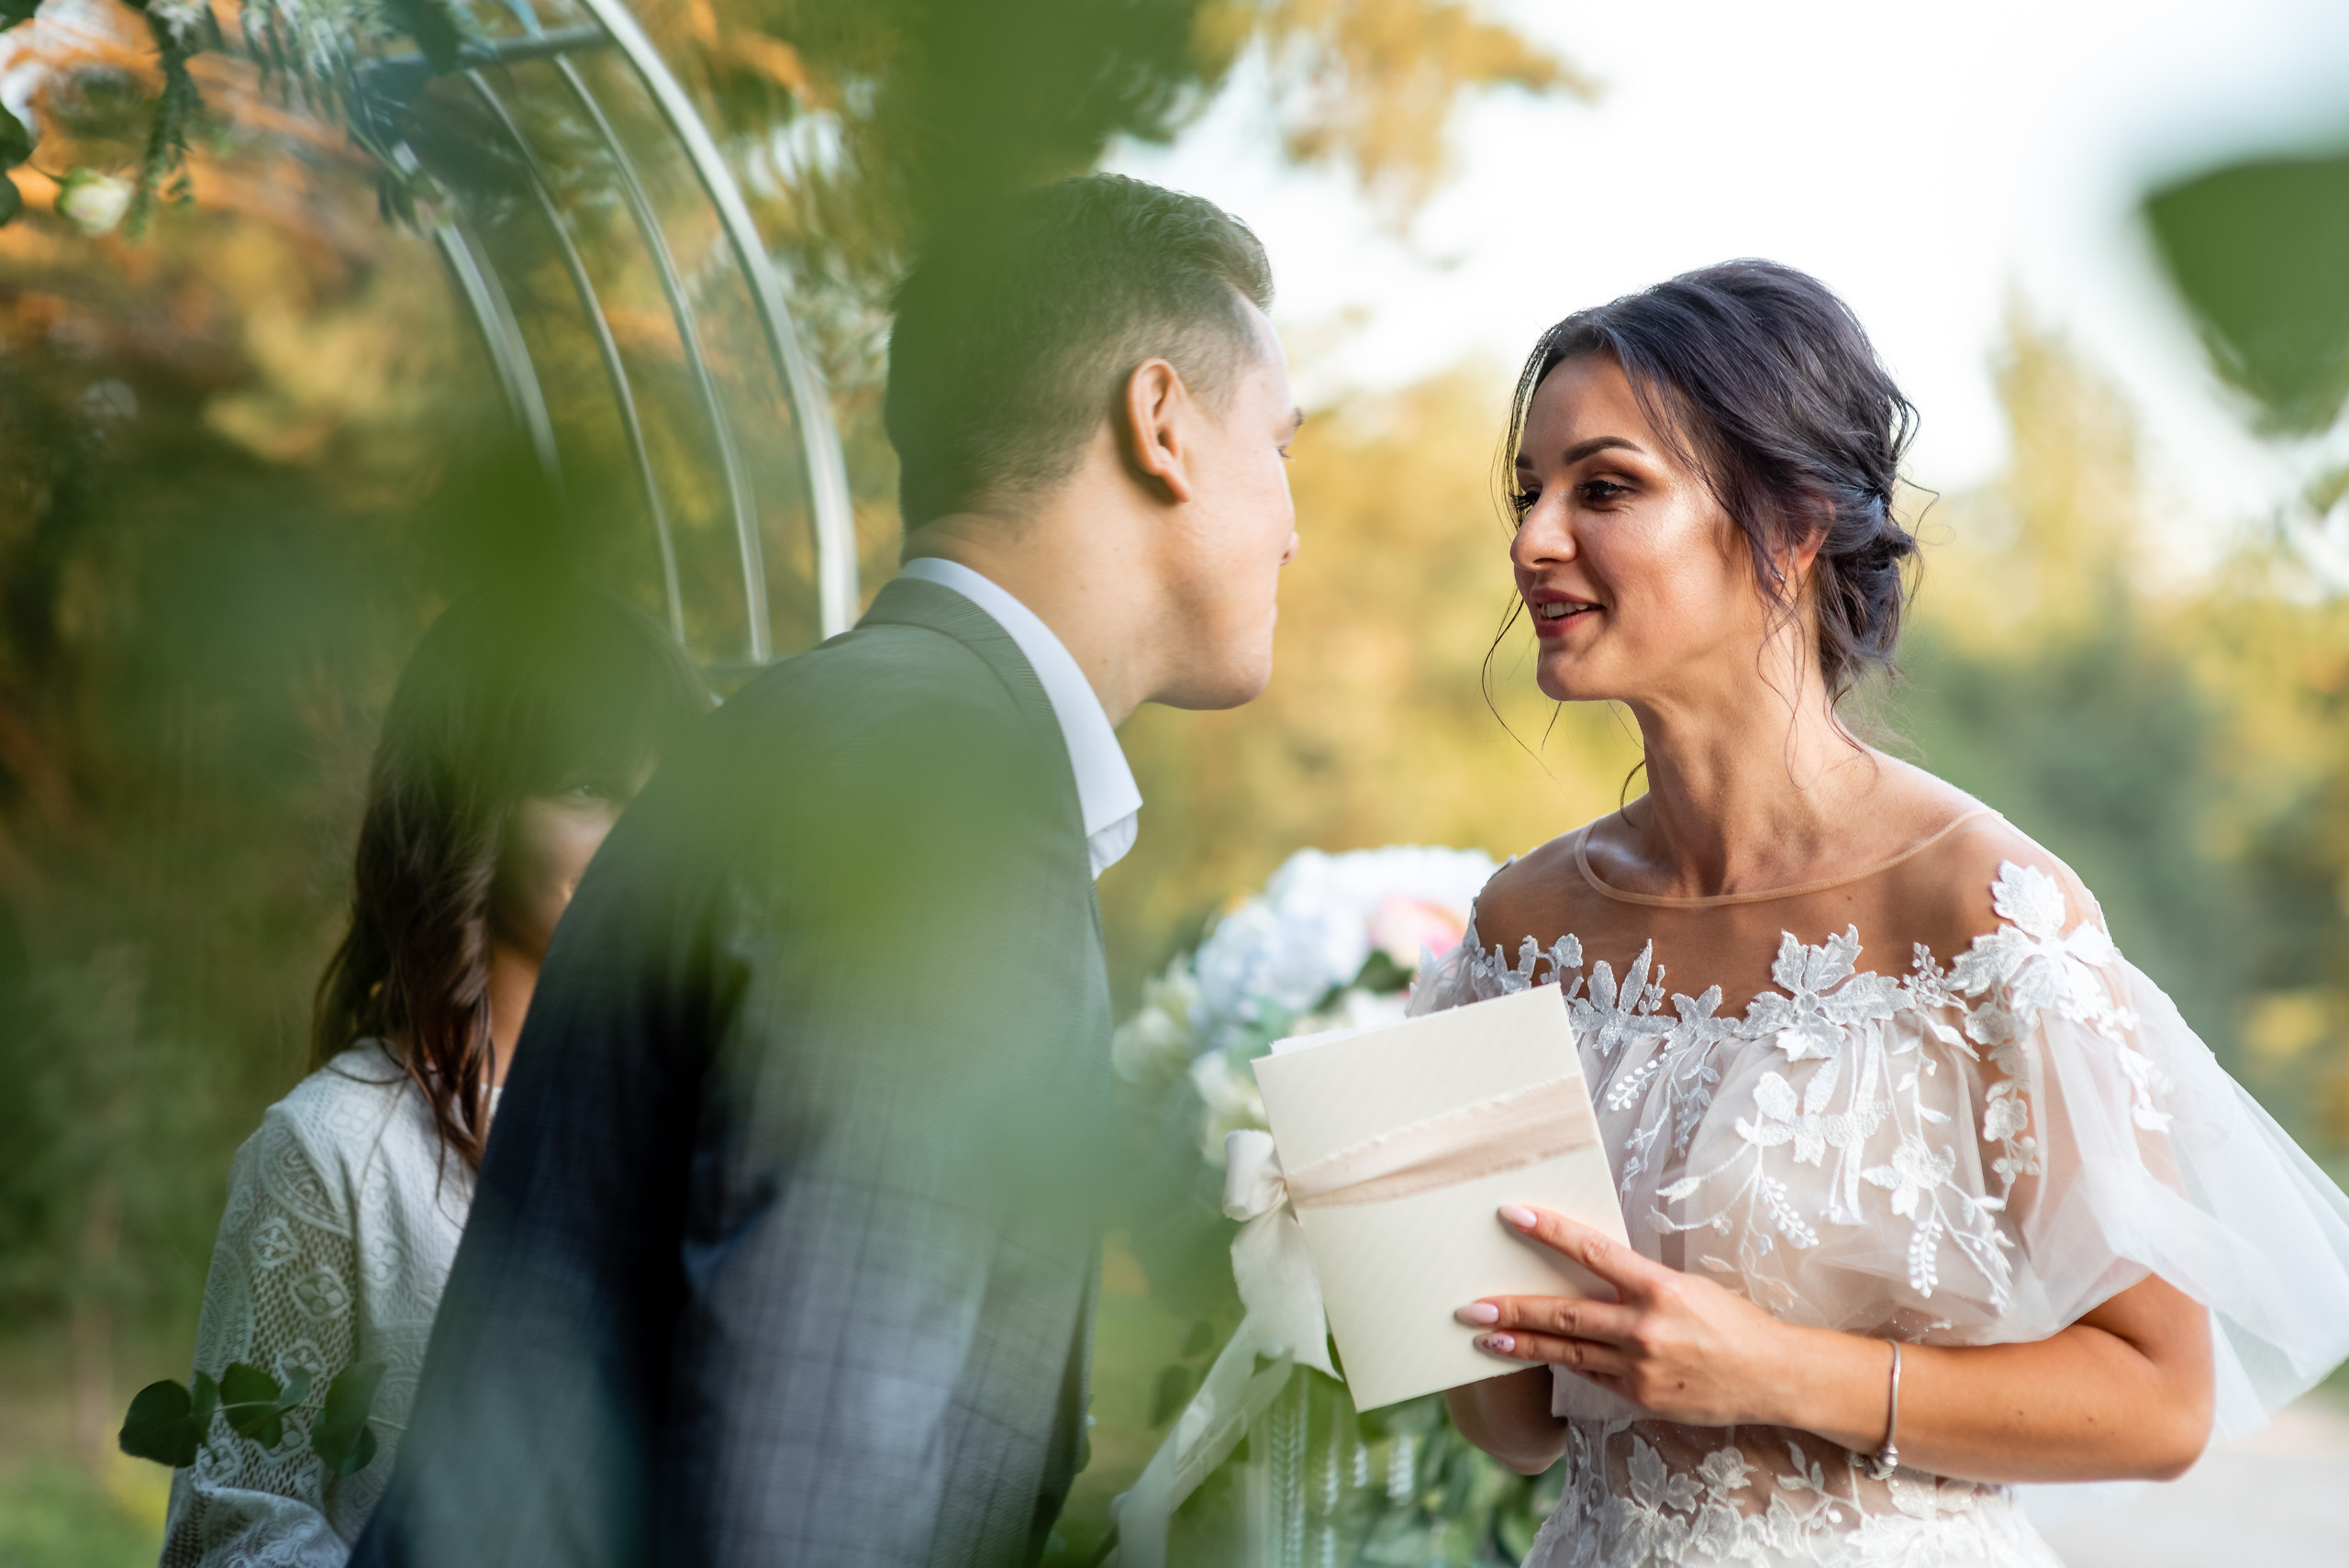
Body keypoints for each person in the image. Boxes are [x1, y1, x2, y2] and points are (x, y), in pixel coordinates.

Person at [349, 173, 1301, 1568]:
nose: (1293, 523)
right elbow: (806, 1487)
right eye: (1283, 447)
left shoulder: (815, 734)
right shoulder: (943, 803)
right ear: (1161, 423)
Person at [1422, 261, 2349, 1568]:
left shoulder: (1980, 908)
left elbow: (2161, 1398)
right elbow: (1514, 1423)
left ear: (1793, 525)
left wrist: (1776, 1372)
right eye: (1529, 493)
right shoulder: (1521, 929)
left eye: (1605, 486)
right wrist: (1387, 1227)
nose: (1532, 539)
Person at [160, 583, 710, 1566]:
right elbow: (234, 1526)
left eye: (664, 789)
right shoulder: (329, 1151)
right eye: (588, 785)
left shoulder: (714, 1110)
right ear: (468, 810)